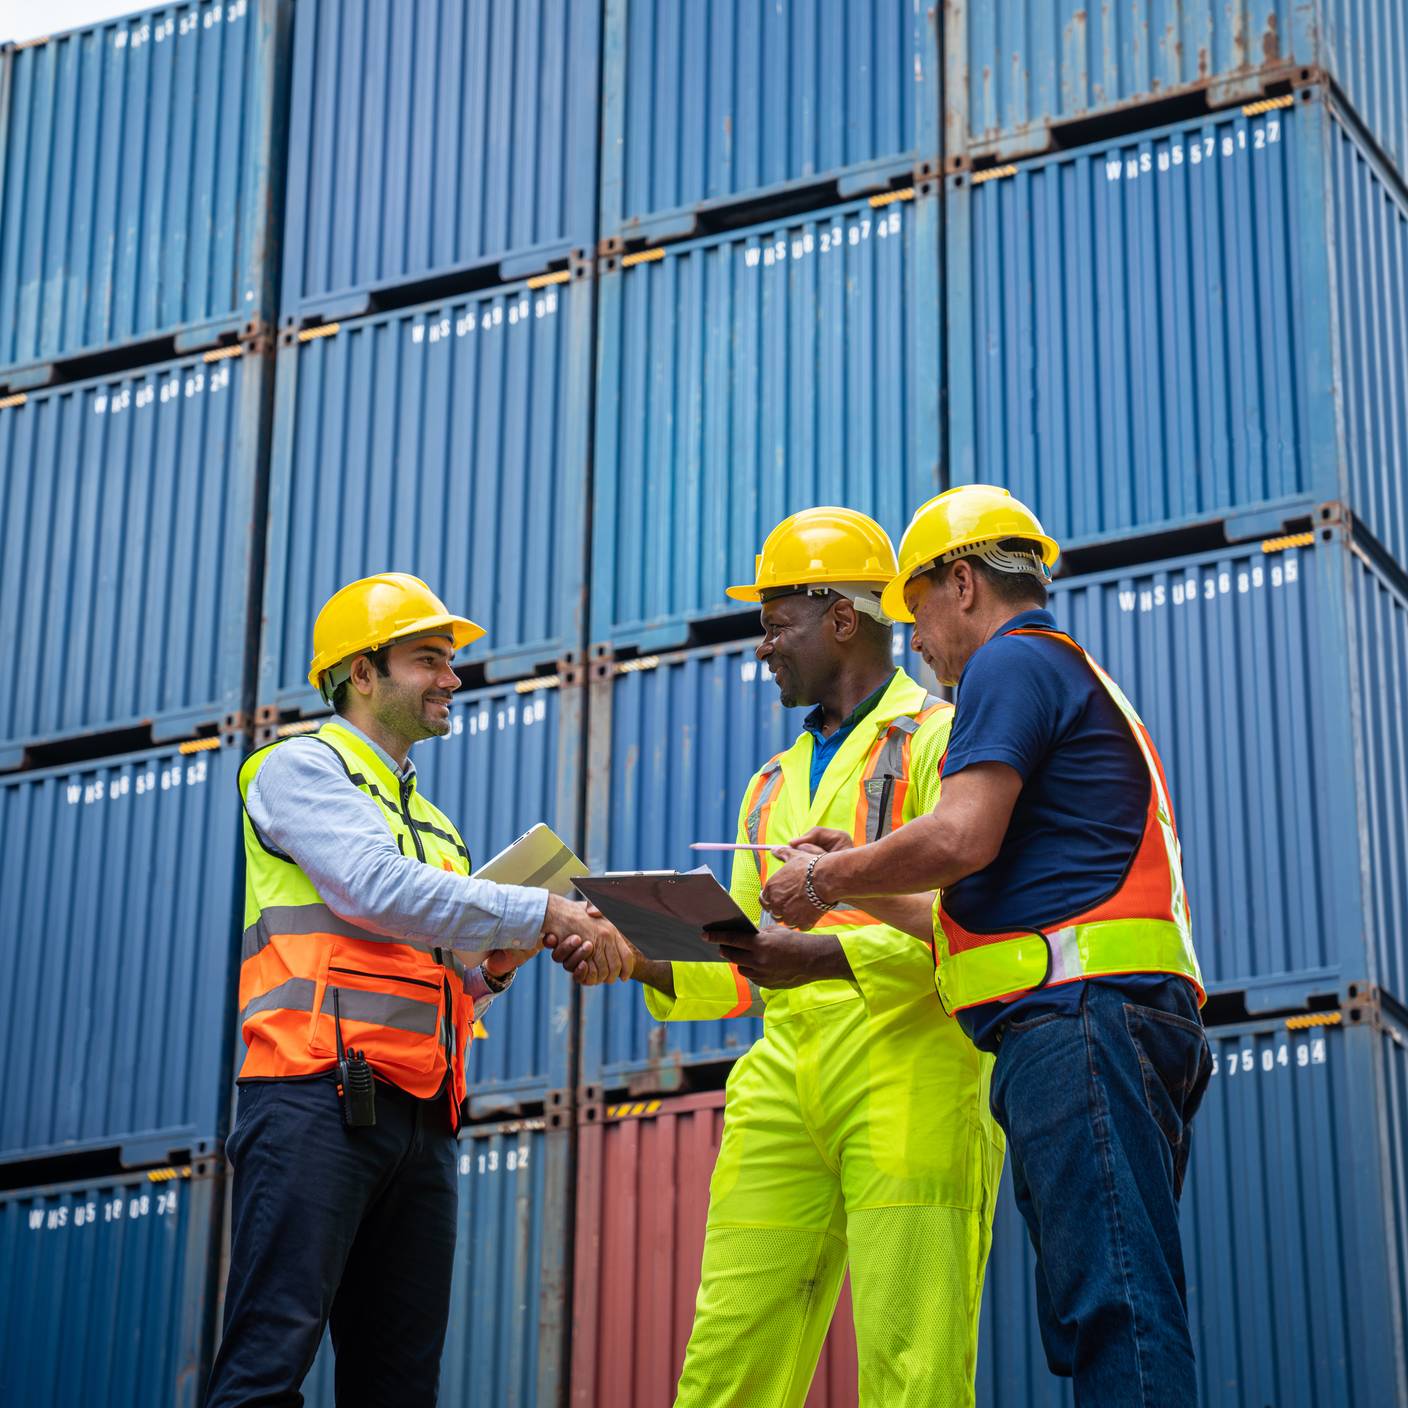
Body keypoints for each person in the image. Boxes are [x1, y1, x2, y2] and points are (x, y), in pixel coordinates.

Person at [762, 487, 1213, 1405]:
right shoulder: (1066, 670)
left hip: (1079, 1022)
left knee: (1114, 1304)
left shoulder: (1010, 665)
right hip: (1104, 1015)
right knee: (1107, 1299)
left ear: (961, 583)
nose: (914, 640)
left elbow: (960, 836)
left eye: (915, 610)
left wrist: (825, 882)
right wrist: (874, 875)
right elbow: (967, 909)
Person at [553, 510, 1004, 1407]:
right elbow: (740, 968)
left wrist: (825, 960)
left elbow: (980, 933)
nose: (762, 647)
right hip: (781, 1077)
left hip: (911, 1066)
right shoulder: (770, 783)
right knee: (728, 1359)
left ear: (842, 617)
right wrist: (633, 956)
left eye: (774, 621)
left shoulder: (944, 741)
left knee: (912, 1360)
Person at [205, 573, 620, 1408]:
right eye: (430, 659)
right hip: (312, 1099)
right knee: (266, 1367)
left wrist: (496, 966)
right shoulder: (298, 769)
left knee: (400, 1386)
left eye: (450, 662)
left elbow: (439, 979)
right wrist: (539, 906)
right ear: (362, 673)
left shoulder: (435, 825)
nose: (452, 679)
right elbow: (370, 888)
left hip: (421, 1116)